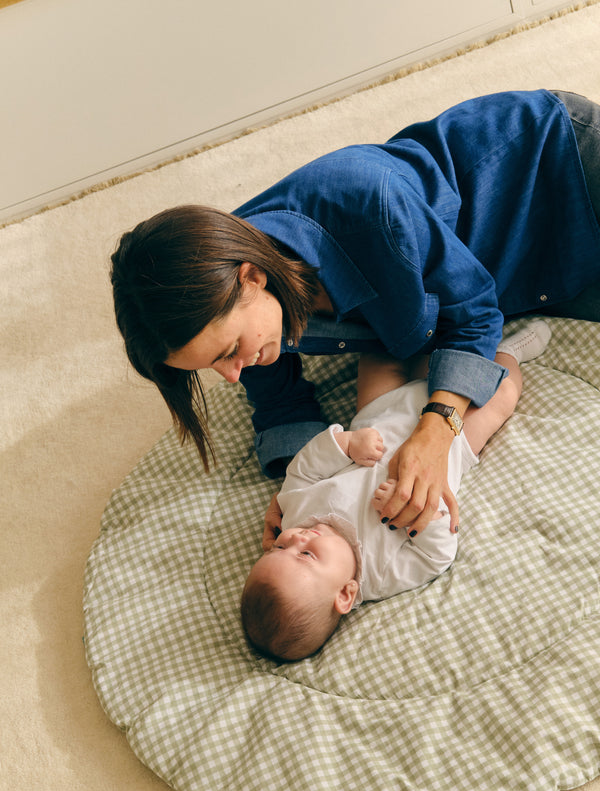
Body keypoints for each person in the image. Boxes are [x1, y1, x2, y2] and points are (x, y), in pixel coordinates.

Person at [110, 89, 600, 542]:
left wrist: (435, 432)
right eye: (213, 366)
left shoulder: (372, 207)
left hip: (557, 169)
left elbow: (472, 313)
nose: (234, 374)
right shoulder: (246, 297)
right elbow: (282, 405)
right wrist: (299, 489)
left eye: (228, 352)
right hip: (518, 269)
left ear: (251, 278)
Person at [240, 322, 551, 661]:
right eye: (306, 555)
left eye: (280, 547)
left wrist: (344, 446)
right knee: (503, 392)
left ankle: (429, 343)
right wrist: (421, 513)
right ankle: (512, 352)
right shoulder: (381, 574)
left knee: (378, 351)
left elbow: (302, 470)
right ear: (345, 594)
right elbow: (435, 557)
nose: (296, 537)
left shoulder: (296, 516)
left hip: (379, 413)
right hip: (454, 442)